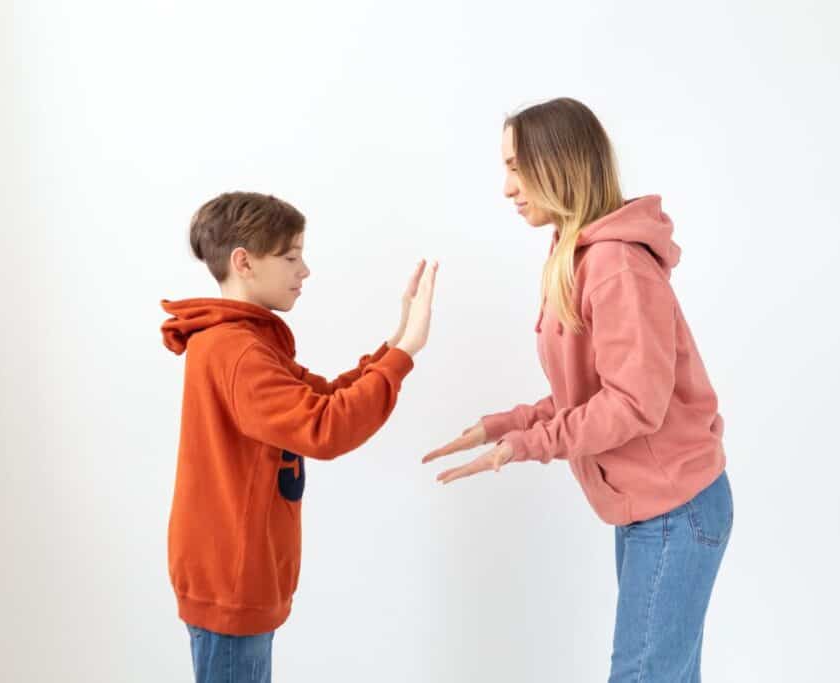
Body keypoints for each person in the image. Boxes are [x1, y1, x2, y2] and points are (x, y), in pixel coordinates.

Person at [424, 98, 732, 682]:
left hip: (676, 506)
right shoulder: (580, 256)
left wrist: (527, 445)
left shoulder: (615, 264)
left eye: (518, 167)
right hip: (654, 507)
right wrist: (504, 426)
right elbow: (591, 392)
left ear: (558, 165)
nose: (507, 188)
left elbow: (634, 403)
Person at [161, 191, 437, 682]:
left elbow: (321, 398)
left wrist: (394, 343)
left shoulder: (243, 342)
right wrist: (408, 351)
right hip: (232, 582)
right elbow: (324, 428)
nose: (304, 270)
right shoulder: (237, 351)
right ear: (244, 262)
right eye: (291, 257)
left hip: (236, 577)